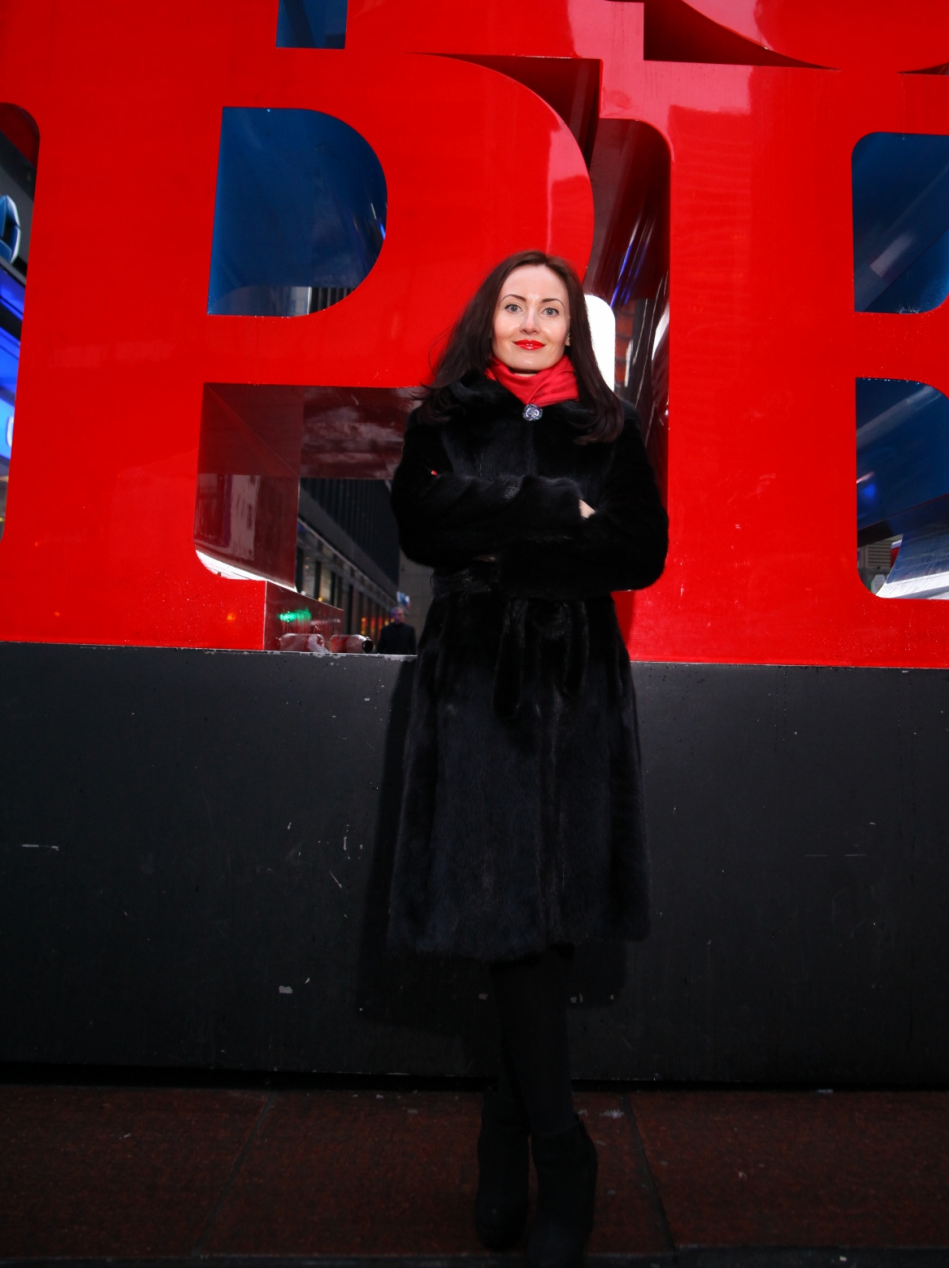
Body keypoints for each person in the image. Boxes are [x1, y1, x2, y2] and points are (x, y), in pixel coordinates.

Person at [388, 250, 668, 1268]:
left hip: (575, 688)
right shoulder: (441, 415)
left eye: (549, 307)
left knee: (541, 920)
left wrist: (496, 530)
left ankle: (517, 1136)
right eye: (514, 304)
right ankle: (552, 1143)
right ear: (487, 318)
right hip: (471, 689)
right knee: (502, 908)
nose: (530, 320)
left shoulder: (608, 426)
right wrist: (557, 512)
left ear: (571, 327)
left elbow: (638, 551)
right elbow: (421, 528)